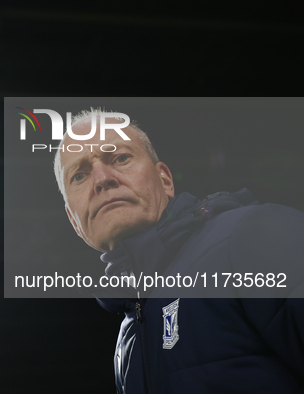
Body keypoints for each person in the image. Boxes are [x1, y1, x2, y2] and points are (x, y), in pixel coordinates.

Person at [53, 109, 304, 393]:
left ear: (165, 180)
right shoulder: (129, 338)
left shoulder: (252, 232)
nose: (101, 179)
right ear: (74, 221)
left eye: (120, 158)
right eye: (79, 176)